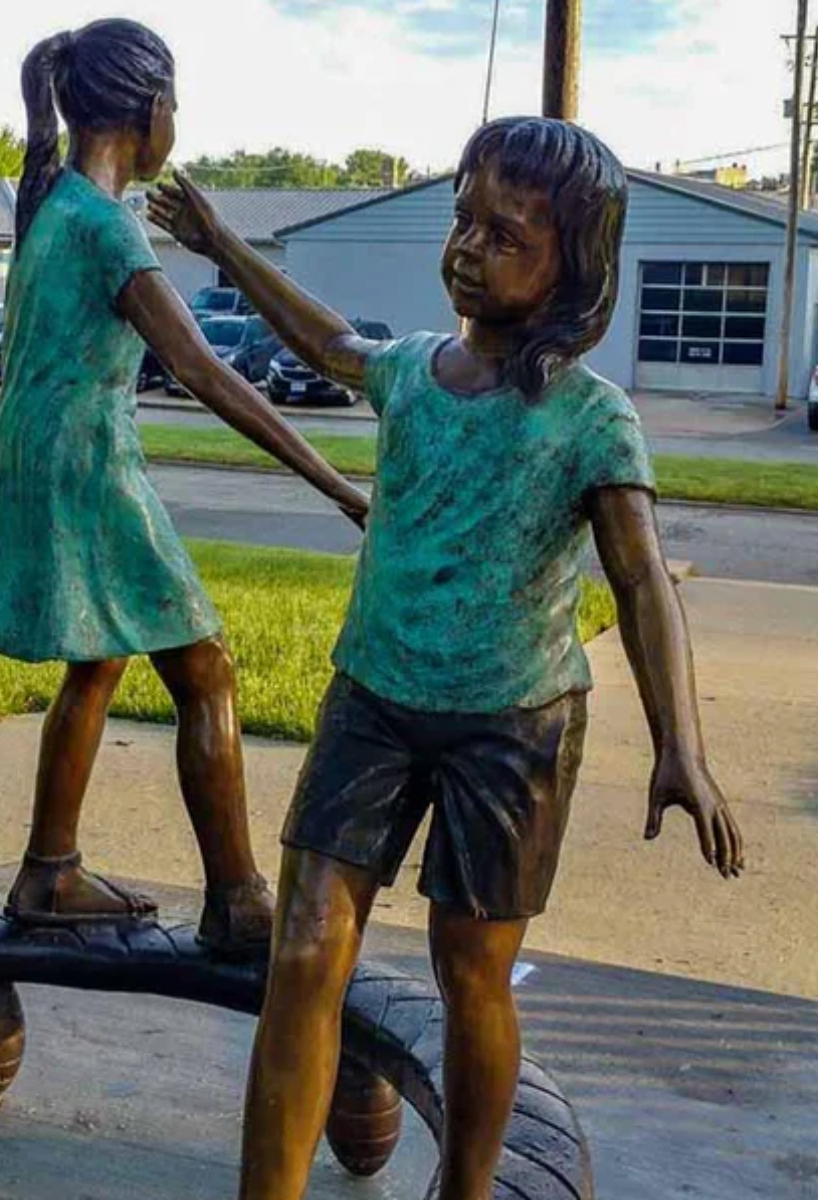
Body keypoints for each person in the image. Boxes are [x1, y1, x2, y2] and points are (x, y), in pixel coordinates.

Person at [147, 116, 744, 1199]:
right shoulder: (417, 373)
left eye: (505, 233)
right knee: (304, 952)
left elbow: (645, 581)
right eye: (462, 219)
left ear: (574, 267)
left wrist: (681, 746)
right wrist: (224, 245)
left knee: (470, 972)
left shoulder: (592, 421)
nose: (469, 246)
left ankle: (468, 1186)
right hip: (373, 700)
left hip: (511, 727)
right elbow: (326, 340)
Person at [0, 19, 368, 959]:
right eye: (175, 103)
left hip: (33, 452)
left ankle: (49, 868)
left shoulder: (53, 199)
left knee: (99, 660)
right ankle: (236, 900)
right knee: (206, 668)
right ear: (149, 111)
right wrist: (338, 486)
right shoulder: (106, 228)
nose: (177, 121)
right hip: (85, 460)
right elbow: (209, 374)